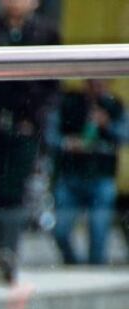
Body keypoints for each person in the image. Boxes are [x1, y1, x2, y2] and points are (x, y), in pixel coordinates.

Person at [0, 0, 60, 284]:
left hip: (26, 126)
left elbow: (52, 85)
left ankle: (11, 252)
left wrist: (34, 117)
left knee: (16, 189)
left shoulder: (46, 33)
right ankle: (2, 251)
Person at [47, 79, 127, 266]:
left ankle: (95, 266)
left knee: (99, 229)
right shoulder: (69, 104)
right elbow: (51, 136)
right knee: (61, 229)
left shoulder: (115, 106)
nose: (97, 88)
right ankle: (72, 263)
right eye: (92, 83)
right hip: (71, 175)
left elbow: (125, 135)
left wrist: (107, 125)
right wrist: (68, 143)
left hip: (101, 176)